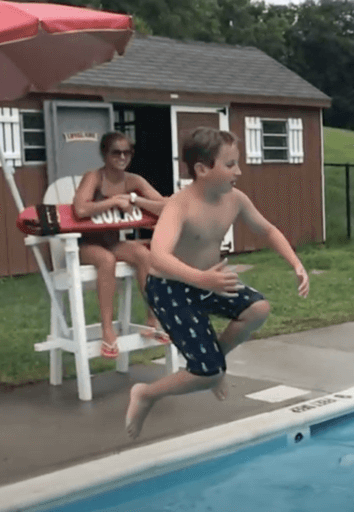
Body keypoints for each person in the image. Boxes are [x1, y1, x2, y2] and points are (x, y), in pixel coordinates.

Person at [125, 127, 309, 440]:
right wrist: (201, 278)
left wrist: (296, 263)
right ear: (202, 169)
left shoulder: (235, 199)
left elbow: (267, 231)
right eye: (230, 164)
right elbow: (157, 256)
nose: (238, 171)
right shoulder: (180, 205)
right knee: (206, 374)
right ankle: (146, 393)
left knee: (258, 309)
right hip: (170, 289)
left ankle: (214, 364)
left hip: (209, 282)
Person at [73, 132, 168, 359]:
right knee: (107, 261)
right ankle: (108, 329)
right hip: (87, 245)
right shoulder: (94, 178)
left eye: (127, 152)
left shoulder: (133, 180)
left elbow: (165, 206)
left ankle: (152, 319)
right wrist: (114, 201)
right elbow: (80, 209)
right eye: (116, 152)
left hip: (113, 242)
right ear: (105, 154)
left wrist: (136, 200)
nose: (122, 157)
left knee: (144, 255)